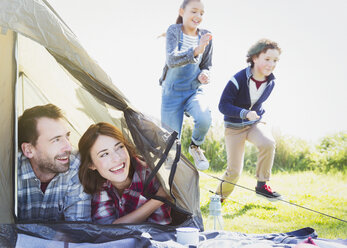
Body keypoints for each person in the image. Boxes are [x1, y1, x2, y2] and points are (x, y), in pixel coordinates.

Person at [216, 39, 282, 201]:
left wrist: (253, 116)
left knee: (268, 143)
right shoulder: (237, 80)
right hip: (234, 127)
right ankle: (218, 199)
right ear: (254, 58)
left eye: (275, 60)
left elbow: (257, 103)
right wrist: (244, 113)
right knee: (234, 171)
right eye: (267, 59)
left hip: (254, 124)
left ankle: (261, 185)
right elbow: (223, 106)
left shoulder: (270, 82)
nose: (271, 64)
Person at [78, 122, 171, 225]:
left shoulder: (149, 175)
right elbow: (105, 229)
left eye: (119, 147)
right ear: (91, 165)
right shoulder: (100, 183)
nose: (117, 158)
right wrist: (157, 201)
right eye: (104, 154)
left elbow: (161, 228)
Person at [159, 0, 213, 170]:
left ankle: (195, 146)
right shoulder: (174, 30)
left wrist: (205, 74)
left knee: (204, 118)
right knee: (171, 146)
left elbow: (207, 65)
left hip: (193, 91)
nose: (198, 16)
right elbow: (172, 59)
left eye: (202, 13)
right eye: (194, 11)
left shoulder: (206, 36)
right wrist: (196, 50)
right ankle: (172, 186)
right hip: (171, 94)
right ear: (182, 12)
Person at [17, 104, 91, 222]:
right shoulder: (9, 172)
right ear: (28, 150)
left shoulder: (75, 165)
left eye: (67, 136)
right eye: (56, 140)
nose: (68, 147)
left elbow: (78, 229)